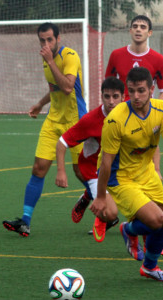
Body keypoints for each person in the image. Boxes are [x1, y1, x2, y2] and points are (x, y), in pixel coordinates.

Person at [90, 67, 163, 282]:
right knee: (156, 219)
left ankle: (149, 267)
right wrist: (101, 196)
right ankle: (128, 229)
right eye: (131, 91)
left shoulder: (161, 109)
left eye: (141, 90)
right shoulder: (115, 119)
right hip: (121, 177)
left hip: (146, 171)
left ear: (152, 89)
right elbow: (107, 162)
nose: (136, 96)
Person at [2, 22, 87, 236]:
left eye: (50, 39)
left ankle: (106, 206)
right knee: (39, 168)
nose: (46, 43)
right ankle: (25, 221)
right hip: (53, 120)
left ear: (59, 38)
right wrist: (41, 104)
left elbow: (67, 87)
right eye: (42, 40)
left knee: (81, 172)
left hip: (76, 120)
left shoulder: (70, 56)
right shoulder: (46, 57)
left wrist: (50, 61)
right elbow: (55, 88)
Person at [105, 15, 163, 255]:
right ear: (129, 30)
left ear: (150, 32)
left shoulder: (157, 59)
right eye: (135, 26)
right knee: (113, 164)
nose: (138, 30)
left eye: (143, 27)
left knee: (152, 177)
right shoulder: (116, 55)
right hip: (122, 126)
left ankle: (148, 235)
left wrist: (153, 111)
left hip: (146, 122)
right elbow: (110, 85)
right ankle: (140, 227)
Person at [55, 77, 125, 242]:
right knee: (111, 213)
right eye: (106, 96)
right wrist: (61, 171)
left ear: (123, 97)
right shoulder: (91, 120)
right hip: (95, 170)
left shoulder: (130, 113)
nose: (111, 101)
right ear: (101, 97)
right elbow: (62, 142)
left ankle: (87, 196)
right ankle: (101, 213)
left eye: (115, 96)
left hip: (120, 168)